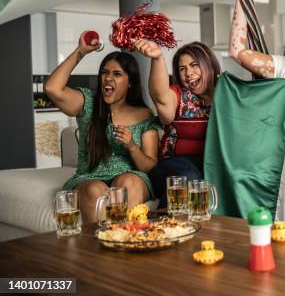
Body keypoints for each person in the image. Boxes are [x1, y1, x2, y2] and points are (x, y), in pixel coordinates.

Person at [44, 32, 159, 223]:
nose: (108, 79)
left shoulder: (144, 114)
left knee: (126, 183)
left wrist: (131, 146)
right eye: (104, 73)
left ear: (130, 82)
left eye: (117, 74)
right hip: (89, 177)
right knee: (94, 190)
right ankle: (103, 247)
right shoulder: (87, 103)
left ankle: (129, 239)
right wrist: (80, 51)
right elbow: (51, 89)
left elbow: (149, 165)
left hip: (131, 176)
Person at [133, 40, 220, 207]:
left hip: (211, 164)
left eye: (194, 65)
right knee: (190, 179)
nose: (188, 73)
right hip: (175, 165)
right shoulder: (179, 94)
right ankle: (174, 227)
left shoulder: (226, 93)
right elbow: (160, 97)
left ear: (208, 65)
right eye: (182, 69)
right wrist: (157, 58)